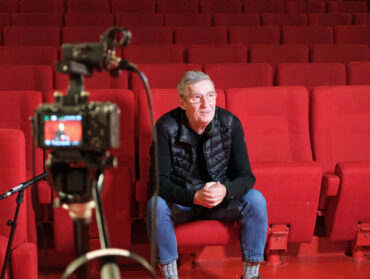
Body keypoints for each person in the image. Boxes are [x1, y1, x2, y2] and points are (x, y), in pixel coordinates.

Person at [147, 71, 268, 279]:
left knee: (256, 199)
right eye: (197, 97)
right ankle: (169, 276)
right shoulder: (165, 127)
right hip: (183, 201)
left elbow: (247, 177)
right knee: (155, 205)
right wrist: (193, 197)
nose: (206, 104)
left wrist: (224, 190)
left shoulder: (231, 123)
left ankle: (251, 275)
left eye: (210, 95)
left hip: (220, 201)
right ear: (182, 102)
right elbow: (158, 181)